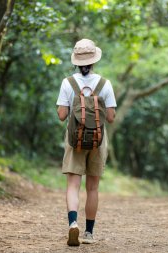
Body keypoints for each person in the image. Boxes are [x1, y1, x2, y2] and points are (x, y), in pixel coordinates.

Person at [56, 39, 116, 246]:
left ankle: (73, 224)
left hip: (75, 139)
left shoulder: (67, 83)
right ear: (94, 61)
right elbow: (110, 117)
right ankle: (89, 233)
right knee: (92, 187)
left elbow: (62, 115)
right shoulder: (105, 84)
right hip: (98, 140)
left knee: (73, 185)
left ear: (76, 61)